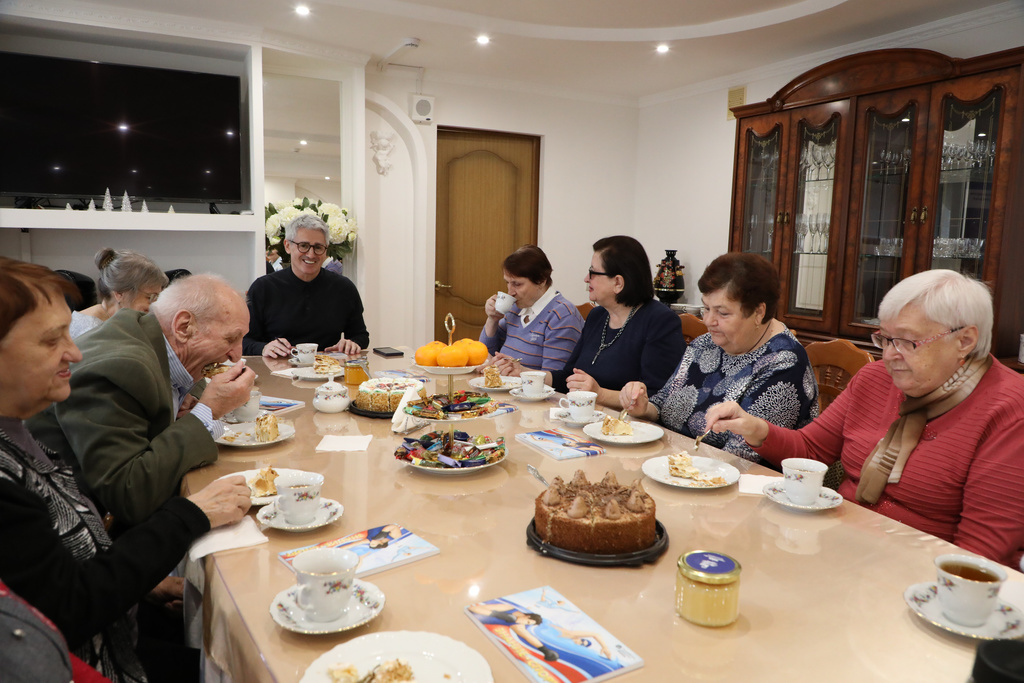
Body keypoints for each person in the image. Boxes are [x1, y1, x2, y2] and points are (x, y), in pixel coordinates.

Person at [0, 257, 251, 682]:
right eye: (51, 339)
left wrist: (143, 584)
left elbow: (53, 570)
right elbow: (69, 607)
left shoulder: (18, 437)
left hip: (115, 612)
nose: (74, 352)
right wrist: (192, 512)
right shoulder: (117, 365)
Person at [705, 270, 1024, 567]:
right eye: (885, 339)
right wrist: (756, 428)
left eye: (907, 342)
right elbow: (811, 451)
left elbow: (979, 553)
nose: (890, 355)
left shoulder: (1008, 410)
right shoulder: (875, 379)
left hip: (920, 571)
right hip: (839, 544)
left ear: (964, 341)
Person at [28, 273, 255, 527]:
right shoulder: (119, 368)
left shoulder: (155, 338)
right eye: (230, 339)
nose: (237, 356)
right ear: (183, 327)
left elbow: (188, 391)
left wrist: (188, 407)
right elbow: (129, 496)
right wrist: (208, 411)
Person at [620, 253, 818, 462]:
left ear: (759, 312)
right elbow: (663, 403)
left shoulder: (784, 363)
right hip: (673, 462)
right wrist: (643, 407)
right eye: (706, 308)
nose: (708, 321)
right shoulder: (706, 343)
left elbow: (741, 457)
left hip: (728, 475)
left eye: (722, 313)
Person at [502, 236, 682, 406]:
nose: (586, 279)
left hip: (627, 424)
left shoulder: (660, 321)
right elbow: (567, 377)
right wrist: (523, 372)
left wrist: (600, 394)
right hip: (586, 416)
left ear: (618, 283)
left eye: (592, 272)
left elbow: (658, 397)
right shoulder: (598, 316)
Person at [243, 214, 369, 358]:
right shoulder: (263, 288)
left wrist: (352, 343)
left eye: (318, 247)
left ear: (326, 250)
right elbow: (244, 341)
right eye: (303, 246)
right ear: (287, 246)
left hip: (328, 368)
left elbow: (361, 335)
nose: (311, 254)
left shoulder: (344, 288)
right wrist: (264, 348)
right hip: (277, 366)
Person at [482, 245, 584, 374]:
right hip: (505, 383)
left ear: (541, 280)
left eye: (517, 284)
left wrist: (518, 372)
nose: (510, 292)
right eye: (507, 283)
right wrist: (492, 319)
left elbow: (554, 378)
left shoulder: (562, 315)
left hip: (527, 387)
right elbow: (485, 355)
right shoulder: (516, 307)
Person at [69, 248, 168, 338]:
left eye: (157, 297)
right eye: (149, 297)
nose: (154, 305)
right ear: (119, 293)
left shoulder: (120, 321)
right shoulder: (91, 329)